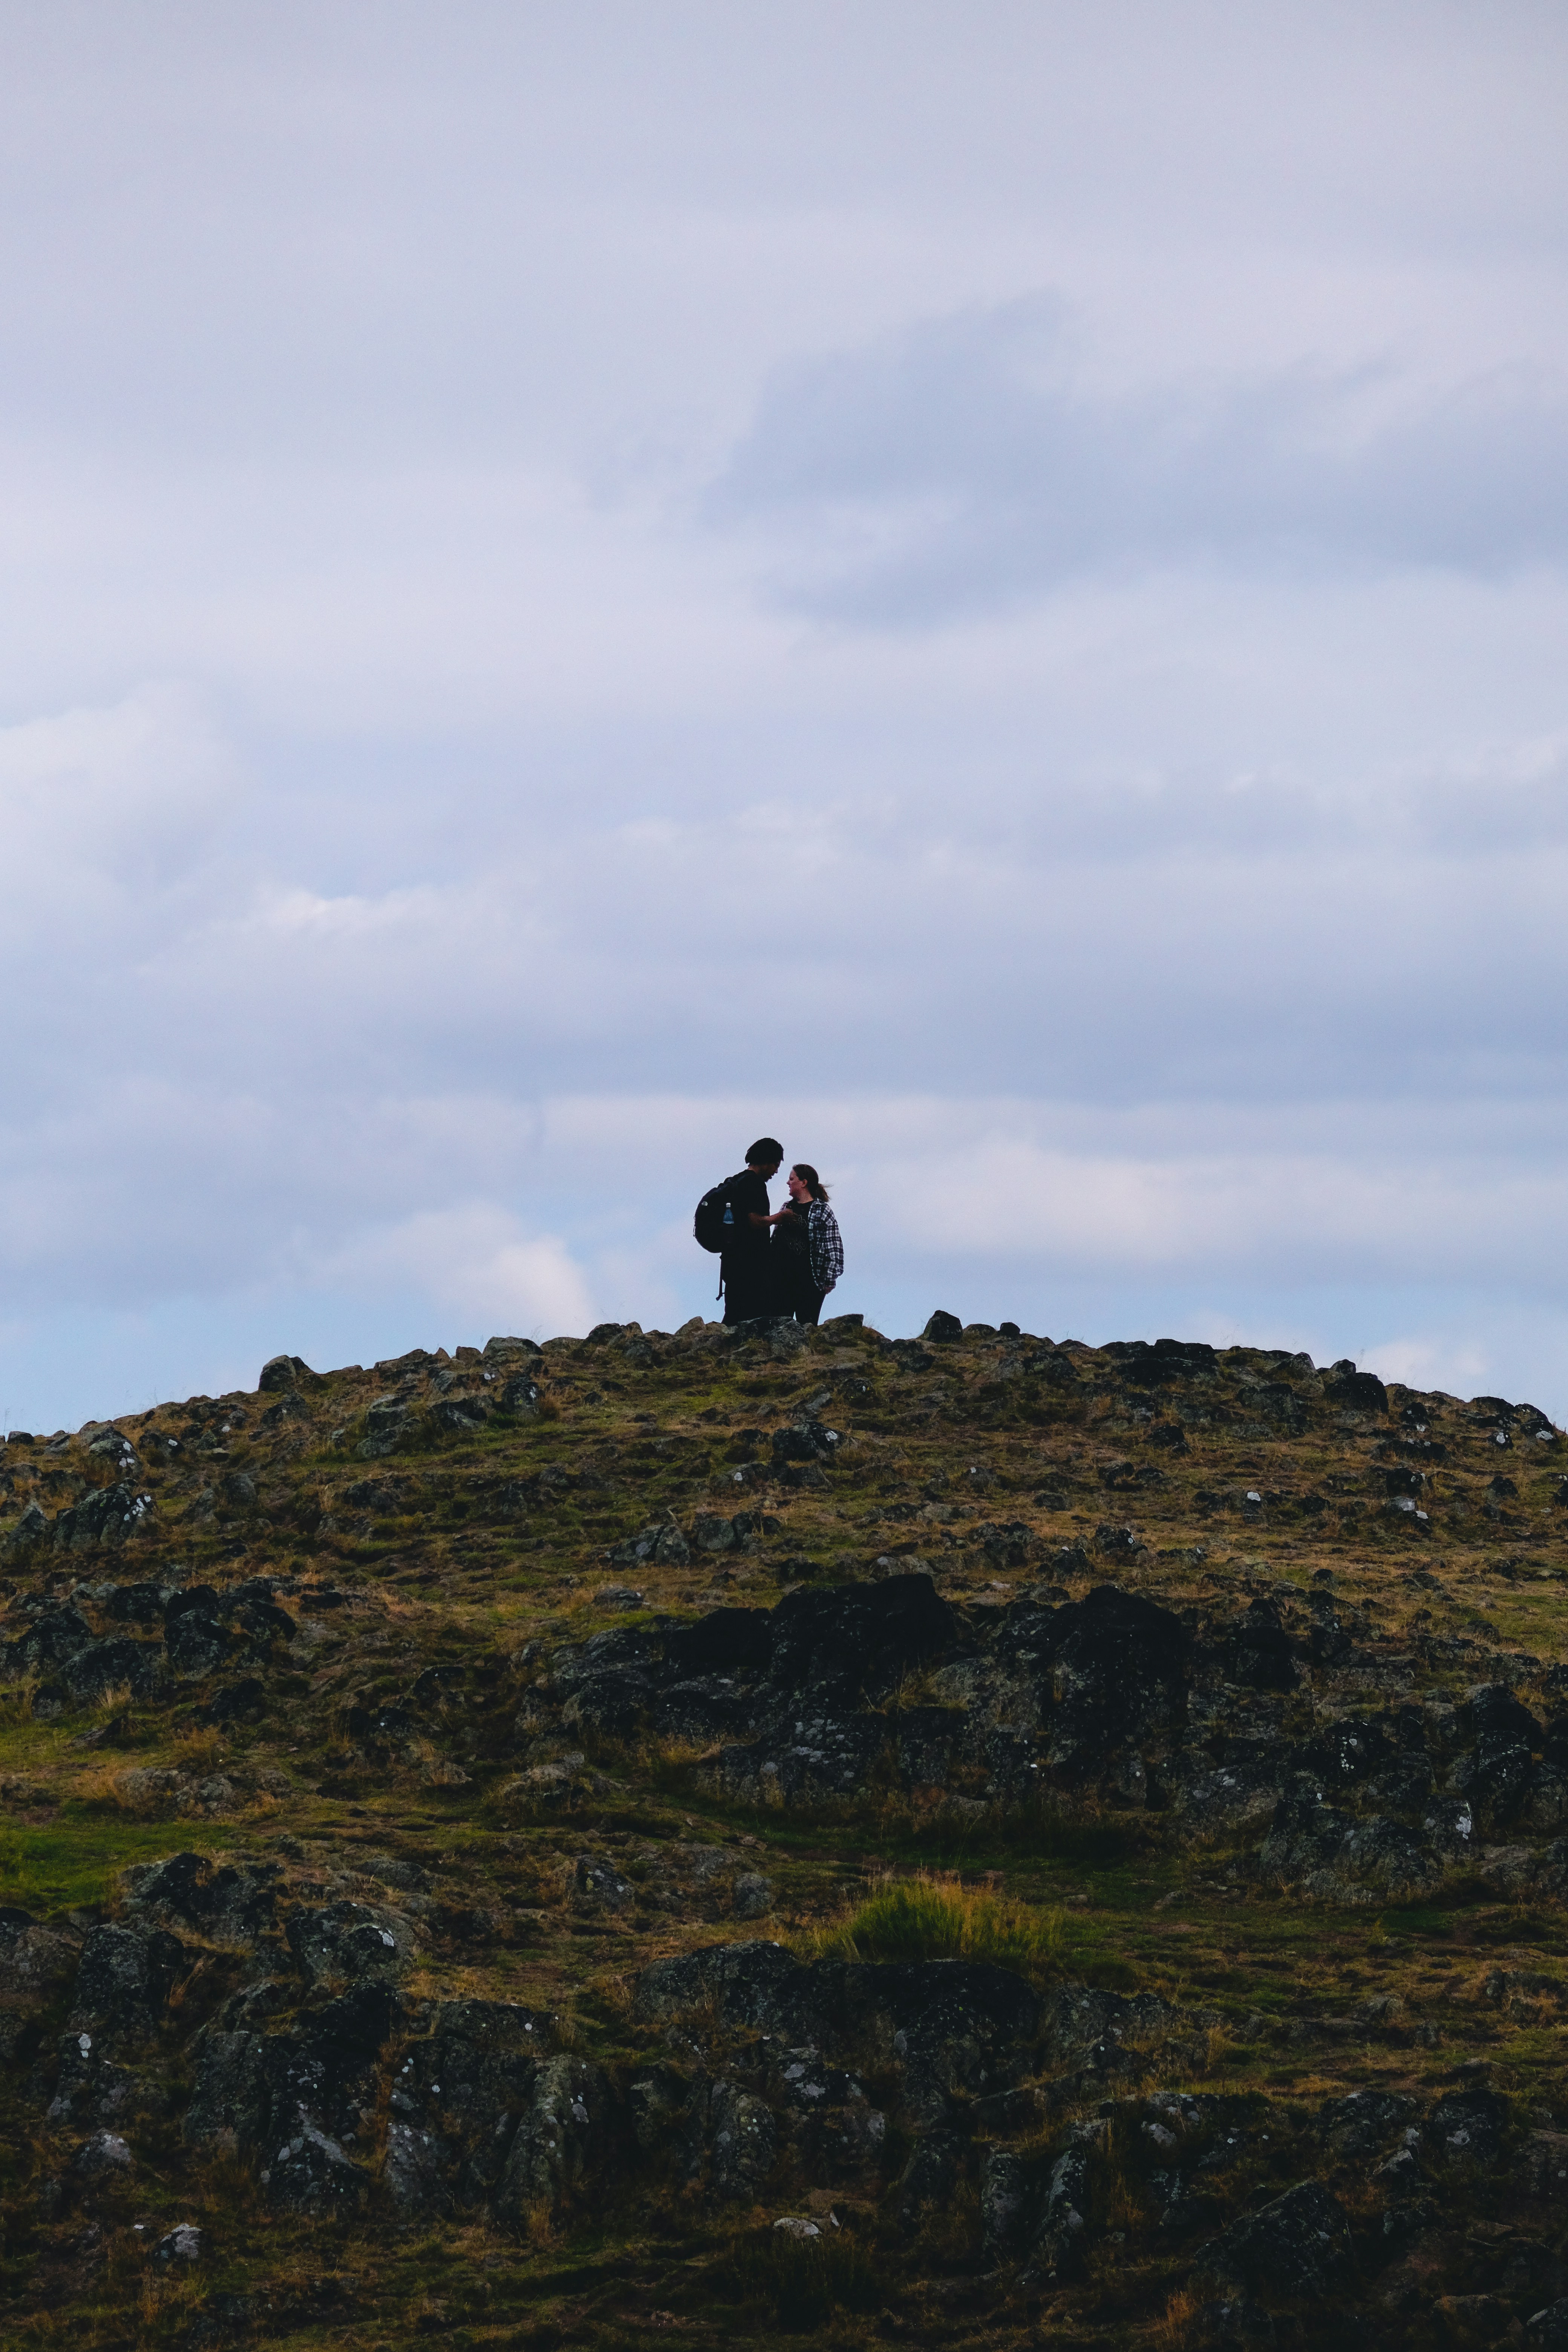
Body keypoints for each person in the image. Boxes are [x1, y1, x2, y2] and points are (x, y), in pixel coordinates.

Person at [767, 1162, 844, 1326]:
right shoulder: (786, 1208)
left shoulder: (822, 1211)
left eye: (792, 1179)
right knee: (777, 1328)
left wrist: (828, 1281)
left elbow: (834, 1247)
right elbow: (775, 1240)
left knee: (807, 1328)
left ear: (804, 1182)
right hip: (781, 1282)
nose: (788, 1183)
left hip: (809, 1284)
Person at [719, 1137, 784, 1324]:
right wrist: (779, 1218)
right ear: (766, 1161)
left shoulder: (735, 1181)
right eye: (775, 1164)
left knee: (734, 1313)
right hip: (751, 1264)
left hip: (732, 1261)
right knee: (754, 1317)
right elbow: (754, 1220)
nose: (776, 1171)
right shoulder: (754, 1184)